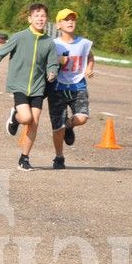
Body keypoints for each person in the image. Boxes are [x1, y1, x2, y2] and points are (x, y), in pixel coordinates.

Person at [0, 3, 59, 171]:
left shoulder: (49, 43)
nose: (40, 18)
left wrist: (52, 72)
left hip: (38, 87)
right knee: (26, 118)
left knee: (35, 122)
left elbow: (53, 63)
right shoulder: (20, 37)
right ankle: (15, 117)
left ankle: (24, 158)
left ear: (47, 19)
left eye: (43, 16)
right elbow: (0, 53)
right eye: (36, 15)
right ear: (29, 18)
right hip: (19, 84)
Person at [48, 9, 95, 170]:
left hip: (78, 86)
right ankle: (59, 157)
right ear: (58, 24)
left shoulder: (83, 43)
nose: (70, 22)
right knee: (57, 127)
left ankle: (70, 125)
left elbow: (90, 56)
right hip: (57, 88)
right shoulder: (54, 44)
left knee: (82, 117)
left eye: (73, 19)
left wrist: (89, 68)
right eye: (66, 19)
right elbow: (46, 61)